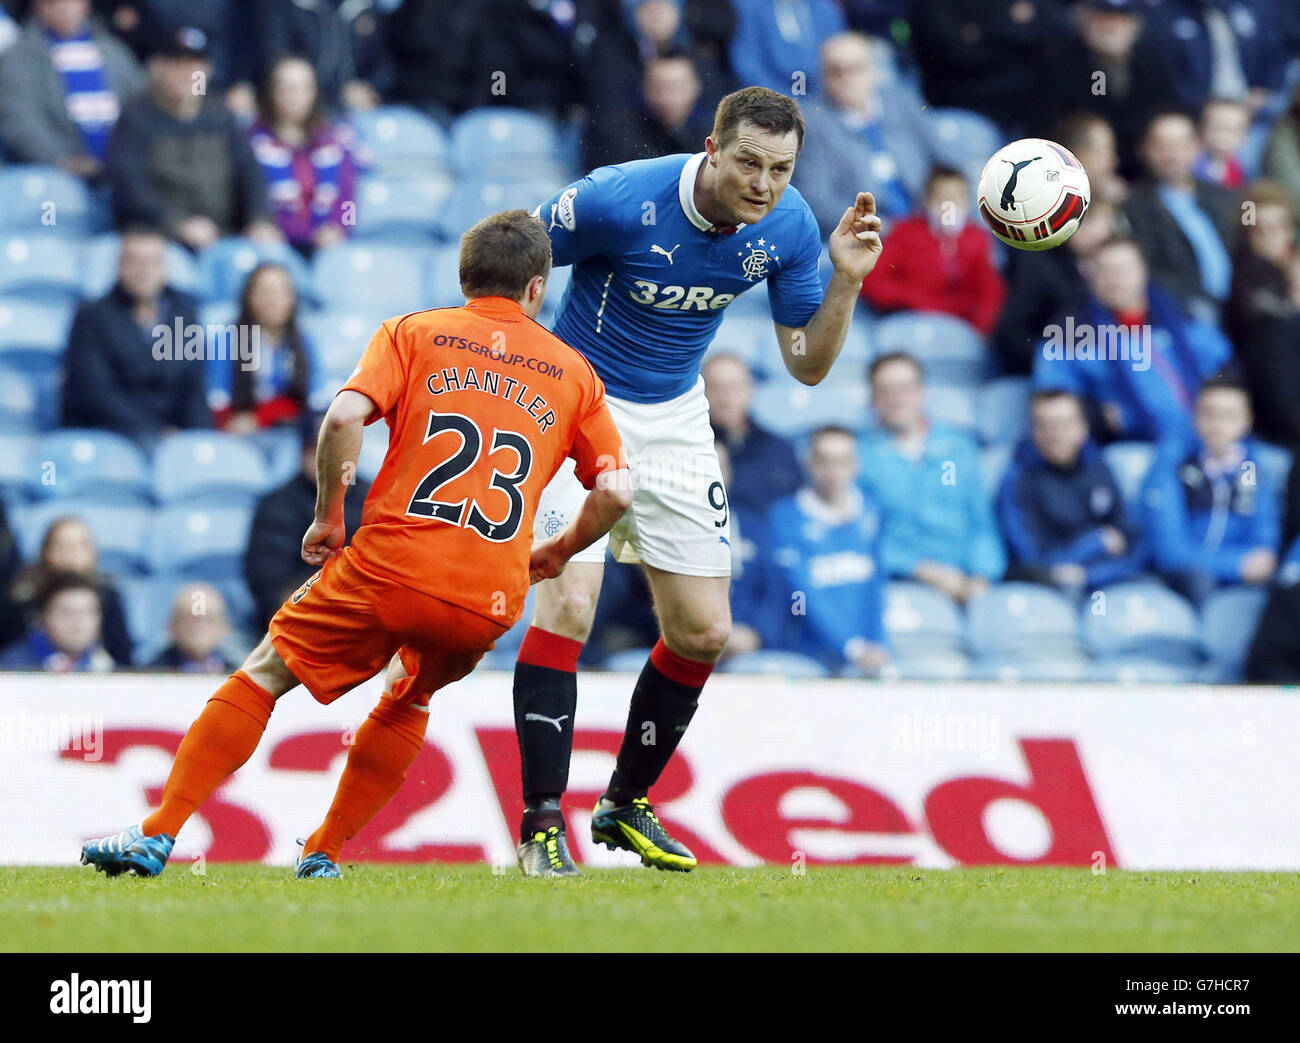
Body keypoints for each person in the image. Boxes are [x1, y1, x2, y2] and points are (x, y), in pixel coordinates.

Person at [78, 208, 632, 881]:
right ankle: (324, 852)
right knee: (410, 697)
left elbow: (343, 416)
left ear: (464, 277)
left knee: (265, 671)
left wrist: (328, 517)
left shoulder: (414, 332)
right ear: (537, 288)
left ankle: (159, 831)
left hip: (392, 565)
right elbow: (616, 493)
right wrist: (560, 550)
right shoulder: (574, 372)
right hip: (487, 594)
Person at [416, 86, 880, 876]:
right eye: (749, 162)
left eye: (780, 168)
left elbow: (807, 366)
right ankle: (538, 824)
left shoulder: (793, 225)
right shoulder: (616, 197)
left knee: (703, 632)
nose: (764, 183)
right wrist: (505, 376)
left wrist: (846, 280)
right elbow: (501, 270)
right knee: (570, 602)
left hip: (675, 420)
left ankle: (624, 802)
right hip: (575, 404)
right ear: (711, 147)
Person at [1033, 235, 1233, 444]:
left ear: (1143, 271)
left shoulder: (1180, 317)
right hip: (1128, 446)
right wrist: (1100, 417)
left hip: (1205, 437)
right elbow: (1052, 395)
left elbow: (1223, 367)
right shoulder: (1070, 331)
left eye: (1124, 270)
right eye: (1105, 271)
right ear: (1090, 277)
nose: (1116, 279)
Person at [106, 26, 276, 251]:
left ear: (208, 71)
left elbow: (250, 174)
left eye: (195, 66)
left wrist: (259, 219)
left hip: (223, 235)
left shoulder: (221, 116)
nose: (187, 74)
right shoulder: (136, 118)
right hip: (159, 239)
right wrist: (178, 222)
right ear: (157, 69)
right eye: (177, 64)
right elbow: (131, 188)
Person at [859, 352, 1005, 603]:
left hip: (966, 583)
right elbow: (859, 533)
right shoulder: (860, 457)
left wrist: (982, 576)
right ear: (873, 398)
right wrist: (920, 569)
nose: (896, 399)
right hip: (897, 583)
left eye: (904, 388)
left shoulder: (958, 448)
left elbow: (981, 523)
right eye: (886, 390)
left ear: (921, 392)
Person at [61, 226, 209, 443]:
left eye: (152, 262)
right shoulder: (91, 317)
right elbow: (95, 393)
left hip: (169, 434)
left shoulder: (184, 315)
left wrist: (198, 437)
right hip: (111, 433)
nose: (143, 271)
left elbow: (193, 387)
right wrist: (156, 431)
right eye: (135, 262)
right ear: (119, 267)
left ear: (164, 268)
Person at [1141, 377, 1280, 604]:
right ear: (1194, 417)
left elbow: (1265, 546)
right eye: (1208, 413)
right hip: (1183, 580)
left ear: (1247, 421)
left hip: (1243, 583)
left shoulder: (1255, 469)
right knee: (1200, 582)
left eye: (1228, 416)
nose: (1217, 424)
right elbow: (1169, 553)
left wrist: (1256, 564)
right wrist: (1237, 565)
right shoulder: (1171, 464)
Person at [765, 425, 890, 675]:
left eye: (843, 461)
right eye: (825, 461)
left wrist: (878, 644)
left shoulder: (872, 511)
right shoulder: (785, 517)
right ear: (809, 463)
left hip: (869, 654)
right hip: (810, 655)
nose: (834, 472)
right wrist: (851, 647)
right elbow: (801, 592)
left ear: (856, 464)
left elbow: (876, 586)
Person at [997, 389, 1144, 593]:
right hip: (1050, 590)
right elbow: (1033, 561)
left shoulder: (1100, 468)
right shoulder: (1017, 480)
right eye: (1043, 425)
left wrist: (1090, 575)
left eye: (1063, 424)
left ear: (1082, 428)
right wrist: (1096, 542)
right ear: (1032, 430)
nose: (1054, 434)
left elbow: (1132, 544)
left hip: (1108, 579)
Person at [795, 31, 935, 236]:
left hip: (924, 219)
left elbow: (940, 159)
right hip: (868, 233)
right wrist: (877, 226)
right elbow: (816, 199)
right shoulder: (812, 124)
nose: (846, 78)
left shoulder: (903, 102)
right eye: (836, 71)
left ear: (874, 71)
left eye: (855, 69)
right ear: (823, 77)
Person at [244, 413, 368, 628]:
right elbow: (270, 584)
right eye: (319, 450)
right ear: (303, 454)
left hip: (365, 617)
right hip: (300, 621)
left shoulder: (374, 497)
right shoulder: (277, 505)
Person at [858, 164, 1006, 336]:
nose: (950, 205)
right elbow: (873, 281)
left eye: (957, 198)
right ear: (927, 201)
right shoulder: (904, 233)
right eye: (942, 198)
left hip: (960, 329)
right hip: (908, 323)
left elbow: (988, 294)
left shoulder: (978, 239)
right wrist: (912, 300)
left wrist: (977, 329)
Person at [0, 0, 143, 177]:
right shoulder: (18, 57)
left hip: (122, 172)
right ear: (38, 6)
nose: (63, 7)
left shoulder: (114, 51)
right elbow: (18, 118)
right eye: (53, 2)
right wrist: (61, 159)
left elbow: (140, 105)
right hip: (58, 177)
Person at [1124, 110, 1239, 320]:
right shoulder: (1134, 209)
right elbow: (1151, 273)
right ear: (1143, 150)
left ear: (1197, 147)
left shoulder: (1225, 197)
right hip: (1186, 312)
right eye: (1161, 146)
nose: (1172, 155)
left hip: (1239, 305)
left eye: (1180, 145)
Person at [248, 55, 367, 254]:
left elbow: (349, 199)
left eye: (303, 87)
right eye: (286, 87)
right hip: (276, 246)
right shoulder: (252, 144)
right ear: (271, 91)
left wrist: (341, 229)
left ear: (314, 92)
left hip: (329, 247)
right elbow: (254, 200)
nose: (294, 96)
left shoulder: (337, 142)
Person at [993, 196, 1120, 375]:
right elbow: (1011, 337)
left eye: (1092, 220)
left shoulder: (1124, 266)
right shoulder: (1038, 267)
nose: (1084, 230)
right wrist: (1059, 365)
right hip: (1055, 377)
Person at [1225, 180, 1300, 449]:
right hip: (1272, 406)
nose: (1273, 236)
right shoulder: (1247, 279)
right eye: (1261, 229)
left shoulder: (1291, 269)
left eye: (1280, 227)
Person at [9, 516, 132, 666]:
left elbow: (123, 658)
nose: (72, 553)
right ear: (46, 551)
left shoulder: (108, 597)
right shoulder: (22, 598)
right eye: (62, 545)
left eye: (81, 545)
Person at [208, 263, 314, 433]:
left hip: (293, 433)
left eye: (279, 292)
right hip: (238, 435)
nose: (271, 300)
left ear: (292, 298)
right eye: (263, 291)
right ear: (248, 297)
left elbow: (313, 401)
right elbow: (217, 400)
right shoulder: (228, 340)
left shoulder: (306, 343)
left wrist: (262, 417)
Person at [702, 352, 801, 516]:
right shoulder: (689, 449)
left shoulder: (779, 450)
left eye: (735, 388)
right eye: (716, 388)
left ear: (751, 389)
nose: (726, 398)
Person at [584, 52, 713, 170]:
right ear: (644, 88)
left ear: (696, 87)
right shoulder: (619, 134)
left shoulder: (712, 135)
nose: (667, 98)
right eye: (658, 89)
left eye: (677, 88)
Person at [727, 0, 846, 98]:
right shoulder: (747, 7)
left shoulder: (825, 9)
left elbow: (838, 56)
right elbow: (747, 63)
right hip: (769, 101)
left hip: (821, 99)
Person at [0, 572, 114, 672]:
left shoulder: (107, 667)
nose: (78, 623)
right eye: (66, 612)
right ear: (42, 617)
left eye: (88, 612)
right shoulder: (11, 667)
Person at [149, 583, 234, 672]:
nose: (199, 627)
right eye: (190, 619)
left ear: (224, 627)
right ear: (172, 625)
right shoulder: (149, 674)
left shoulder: (238, 674)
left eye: (208, 618)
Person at [1194, 96, 1251, 189]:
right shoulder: (1192, 165)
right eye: (1217, 128)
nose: (1224, 137)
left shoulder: (1239, 169)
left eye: (1233, 130)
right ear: (1202, 129)